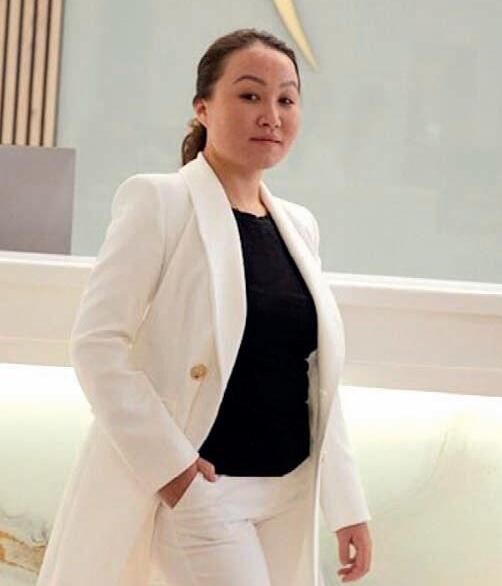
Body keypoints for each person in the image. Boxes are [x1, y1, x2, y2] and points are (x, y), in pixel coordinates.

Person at [36, 28, 372, 586]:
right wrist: (175, 473)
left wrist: (346, 505)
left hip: (288, 490)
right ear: (203, 107)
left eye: (286, 99)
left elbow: (315, 377)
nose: (271, 115)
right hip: (205, 491)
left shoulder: (299, 225)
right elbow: (97, 345)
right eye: (249, 95)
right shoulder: (159, 200)